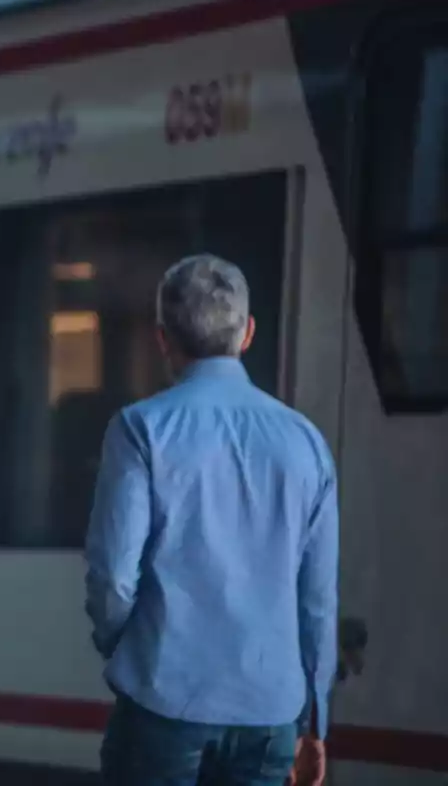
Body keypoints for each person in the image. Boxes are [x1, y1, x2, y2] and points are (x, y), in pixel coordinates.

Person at [83, 254, 338, 785]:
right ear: (247, 333)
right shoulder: (306, 442)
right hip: (270, 716)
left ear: (162, 340)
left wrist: (126, 647)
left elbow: (112, 581)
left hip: (161, 704)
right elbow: (316, 600)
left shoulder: (139, 431)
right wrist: (316, 723)